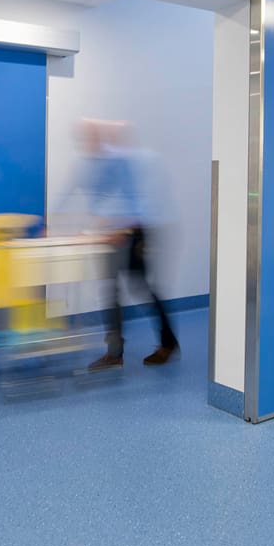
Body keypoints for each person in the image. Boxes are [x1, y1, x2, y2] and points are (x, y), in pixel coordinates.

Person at [54, 118, 179, 370]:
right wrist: (53, 220)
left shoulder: (123, 161)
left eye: (96, 137)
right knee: (109, 293)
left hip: (132, 233)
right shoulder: (86, 163)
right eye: (86, 138)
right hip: (109, 236)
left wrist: (122, 226)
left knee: (140, 287)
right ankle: (115, 353)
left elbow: (136, 200)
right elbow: (72, 191)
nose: (92, 142)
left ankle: (168, 342)